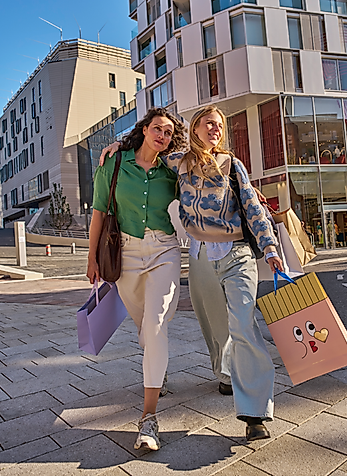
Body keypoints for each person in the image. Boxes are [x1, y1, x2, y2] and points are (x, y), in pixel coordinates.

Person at [100, 105, 284, 442]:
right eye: (208, 124)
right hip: (199, 256)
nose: (214, 129)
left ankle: (255, 413)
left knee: (243, 323)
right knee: (213, 324)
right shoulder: (179, 162)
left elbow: (253, 209)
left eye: (219, 125)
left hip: (236, 253)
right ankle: (225, 372)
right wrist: (118, 147)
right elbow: (147, 153)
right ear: (196, 128)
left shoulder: (232, 165)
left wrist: (270, 248)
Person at [86, 107, 188, 451]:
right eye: (157, 129)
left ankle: (148, 419)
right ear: (144, 130)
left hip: (164, 250)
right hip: (125, 255)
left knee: (156, 323)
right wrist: (91, 259)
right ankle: (157, 368)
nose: (162, 135)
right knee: (145, 328)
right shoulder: (114, 164)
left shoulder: (172, 171)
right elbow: (100, 211)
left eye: (168, 133)